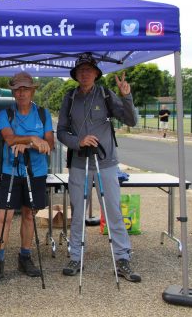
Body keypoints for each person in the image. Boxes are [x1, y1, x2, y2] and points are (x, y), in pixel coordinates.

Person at [56, 52, 141, 283]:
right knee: (77, 213)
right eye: (80, 70)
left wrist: (127, 96)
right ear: (76, 74)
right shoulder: (70, 98)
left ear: (95, 73)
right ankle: (75, 256)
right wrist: (78, 141)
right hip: (78, 163)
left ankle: (122, 258)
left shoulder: (105, 94)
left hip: (106, 163)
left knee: (113, 211)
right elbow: (61, 132)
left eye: (88, 70)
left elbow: (131, 120)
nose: (84, 74)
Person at [0, 72, 54, 285]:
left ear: (33, 91)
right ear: (13, 92)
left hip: (36, 173)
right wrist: (34, 138)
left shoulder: (43, 114)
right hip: (11, 170)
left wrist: (29, 144)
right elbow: (9, 138)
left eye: (25, 89)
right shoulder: (6, 114)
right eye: (17, 89)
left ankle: (25, 257)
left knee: (28, 215)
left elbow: (49, 144)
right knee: (3, 216)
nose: (21, 93)